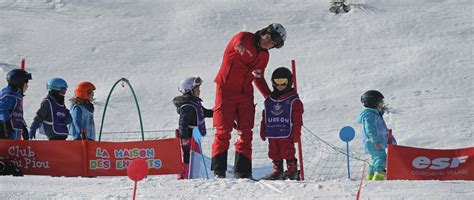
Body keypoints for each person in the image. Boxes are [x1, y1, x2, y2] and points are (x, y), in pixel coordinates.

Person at [212, 23, 287, 179]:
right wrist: (242, 49)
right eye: (270, 38)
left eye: (274, 43)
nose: (269, 43)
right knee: (223, 130)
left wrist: (270, 97)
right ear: (265, 32)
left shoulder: (264, 56)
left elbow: (258, 77)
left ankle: (243, 172)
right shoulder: (244, 38)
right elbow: (237, 45)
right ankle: (219, 172)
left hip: (245, 92)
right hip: (226, 89)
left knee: (245, 132)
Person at [259, 67, 304, 180]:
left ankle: (292, 170)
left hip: (286, 132)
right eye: (277, 82)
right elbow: (266, 115)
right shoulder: (270, 100)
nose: (280, 85)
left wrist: (297, 133)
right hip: (273, 132)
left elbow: (298, 119)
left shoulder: (293, 100)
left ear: (289, 82)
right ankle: (277, 171)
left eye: (283, 82)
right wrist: (263, 128)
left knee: (287, 150)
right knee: (274, 151)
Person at [172, 76, 213, 179]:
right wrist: (184, 138)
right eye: (197, 89)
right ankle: (185, 174)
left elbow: (205, 112)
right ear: (189, 90)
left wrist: (218, 112)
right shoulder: (187, 107)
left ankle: (193, 174)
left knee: (195, 156)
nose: (199, 91)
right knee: (188, 157)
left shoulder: (195, 104)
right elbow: (183, 123)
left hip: (195, 136)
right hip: (189, 137)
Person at [357, 90, 397, 181]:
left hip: (373, 141)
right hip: (373, 141)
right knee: (382, 158)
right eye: (380, 102)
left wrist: (381, 111)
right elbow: (370, 129)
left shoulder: (373, 114)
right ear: (373, 102)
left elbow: (377, 121)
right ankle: (378, 178)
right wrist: (376, 142)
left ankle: (370, 178)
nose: (382, 104)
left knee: (376, 159)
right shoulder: (369, 115)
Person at [0, 69, 31, 140]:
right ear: (19, 83)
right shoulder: (8, 95)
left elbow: (16, 114)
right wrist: (6, 124)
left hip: (13, 134)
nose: (27, 86)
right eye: (26, 83)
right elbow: (2, 109)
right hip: (3, 131)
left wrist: (23, 127)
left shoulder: (17, 96)